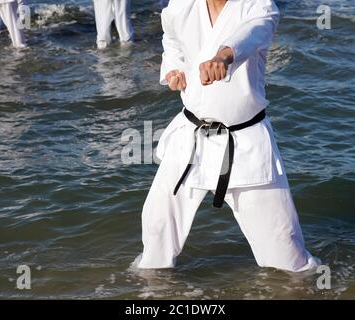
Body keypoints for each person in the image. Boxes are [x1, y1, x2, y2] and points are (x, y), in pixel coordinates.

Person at [134, 0, 321, 272]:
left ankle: (309, 289)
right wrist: (174, 69)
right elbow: (172, 38)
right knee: (157, 229)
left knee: (284, 247)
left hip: (245, 142)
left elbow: (251, 34)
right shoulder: (181, 4)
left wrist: (224, 56)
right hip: (191, 136)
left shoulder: (260, 6)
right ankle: (152, 293)